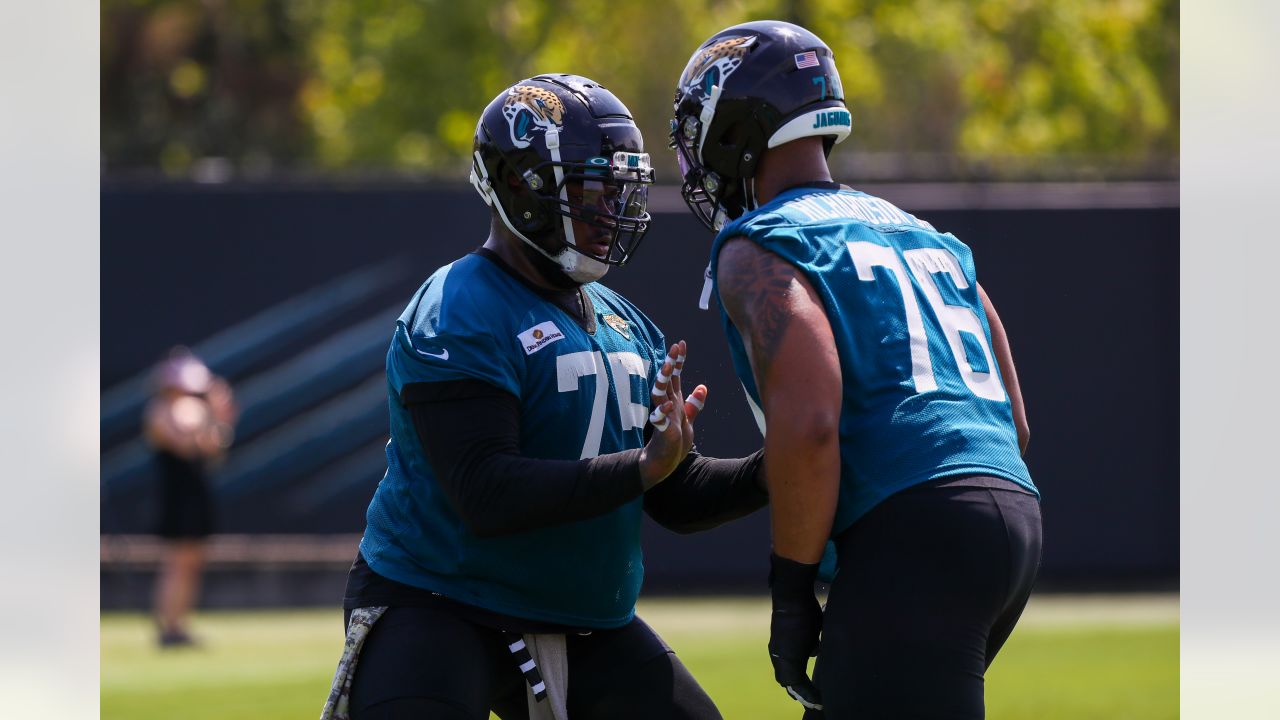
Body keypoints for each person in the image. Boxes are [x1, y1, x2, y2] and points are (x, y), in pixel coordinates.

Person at [321, 74, 768, 720]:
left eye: (619, 190)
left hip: (582, 618)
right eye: (591, 190)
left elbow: (671, 491)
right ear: (520, 187)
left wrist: (774, 466)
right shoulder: (459, 307)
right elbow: (486, 492)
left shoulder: (623, 321)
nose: (609, 210)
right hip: (441, 602)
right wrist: (644, 466)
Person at [669, 21, 1043, 719]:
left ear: (736, 123)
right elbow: (1014, 422)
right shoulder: (924, 234)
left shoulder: (760, 244)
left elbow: (811, 424)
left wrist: (791, 589)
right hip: (1013, 516)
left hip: (913, 534)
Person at [143, 346, 237, 648]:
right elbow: (184, 444)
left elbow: (213, 449)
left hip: (194, 493)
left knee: (191, 562)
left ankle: (178, 625)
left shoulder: (193, 409)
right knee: (177, 562)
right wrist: (208, 414)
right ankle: (168, 627)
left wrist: (219, 417)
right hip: (177, 495)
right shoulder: (161, 410)